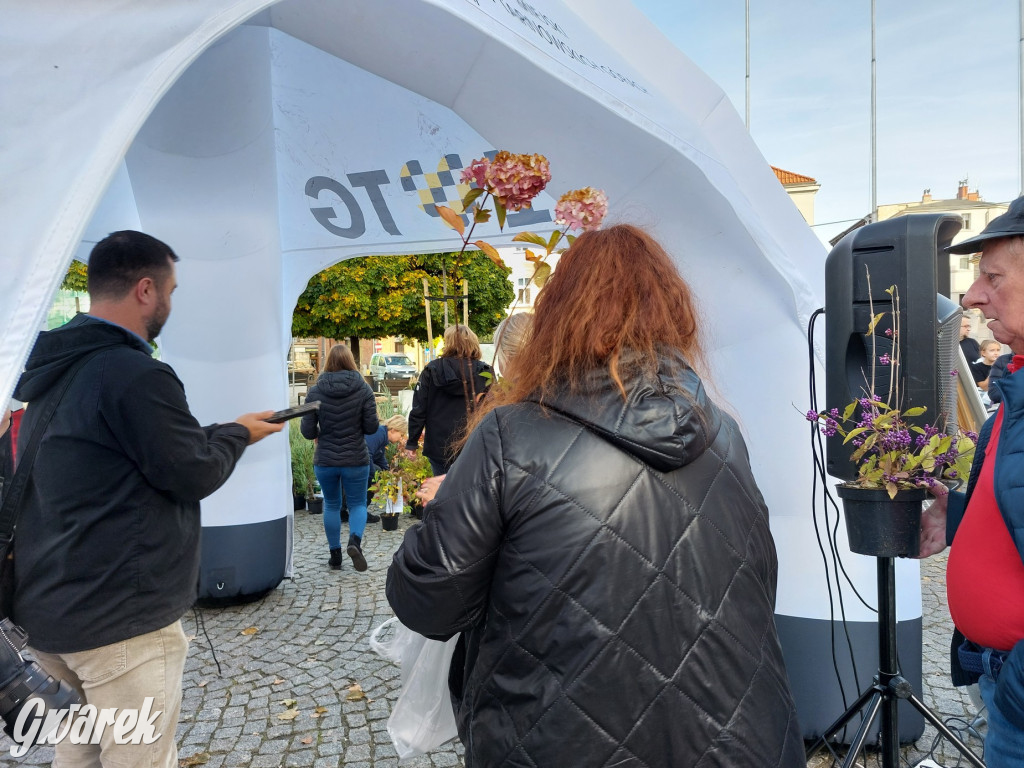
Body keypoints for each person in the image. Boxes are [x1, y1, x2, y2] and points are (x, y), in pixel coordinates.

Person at [387, 224, 803, 767]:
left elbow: (429, 601)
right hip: (737, 741)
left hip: (558, 743)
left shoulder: (511, 436)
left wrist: (447, 511)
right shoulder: (723, 432)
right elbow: (757, 582)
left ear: (557, 315)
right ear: (674, 314)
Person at [9, 230, 283, 767]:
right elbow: (192, 471)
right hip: (120, 623)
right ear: (144, 290)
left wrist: (221, 429)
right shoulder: (134, 374)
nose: (170, 304)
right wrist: (236, 436)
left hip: (53, 613)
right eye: (171, 290)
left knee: (80, 758)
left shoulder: (55, 371)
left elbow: (131, 454)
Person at [921, 195, 1024, 767]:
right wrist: (959, 514)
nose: (971, 295)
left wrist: (1016, 694)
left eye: (993, 276)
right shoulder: (1015, 381)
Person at [300, 344, 378, 571]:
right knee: (357, 504)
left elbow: (307, 432)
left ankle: (335, 556)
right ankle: (355, 542)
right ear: (351, 362)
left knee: (331, 505)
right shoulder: (364, 389)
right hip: (356, 458)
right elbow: (372, 427)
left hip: (325, 459)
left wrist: (319, 432)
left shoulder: (315, 391)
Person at [405, 324, 492, 475]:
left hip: (439, 446)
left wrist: (412, 442)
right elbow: (493, 408)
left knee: (440, 490)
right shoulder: (485, 372)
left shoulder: (431, 370)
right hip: (473, 443)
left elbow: (419, 409)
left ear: (448, 343)